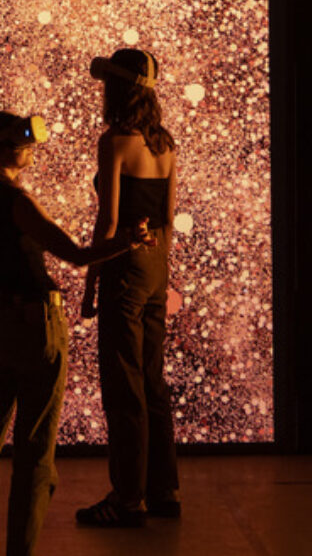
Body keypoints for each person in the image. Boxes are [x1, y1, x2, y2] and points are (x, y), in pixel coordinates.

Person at [0, 111, 153, 556]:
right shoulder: (18, 201)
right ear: (1, 150)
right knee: (35, 457)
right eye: (22, 141)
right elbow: (74, 254)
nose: (31, 147)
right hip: (36, 327)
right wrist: (128, 239)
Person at [75, 48, 181, 528]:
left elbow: (110, 220)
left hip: (125, 262)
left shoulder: (115, 140)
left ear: (116, 89)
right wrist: (161, 271)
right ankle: (164, 490)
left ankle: (128, 497)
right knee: (152, 378)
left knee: (124, 383)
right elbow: (168, 219)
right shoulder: (165, 144)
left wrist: (90, 283)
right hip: (158, 261)